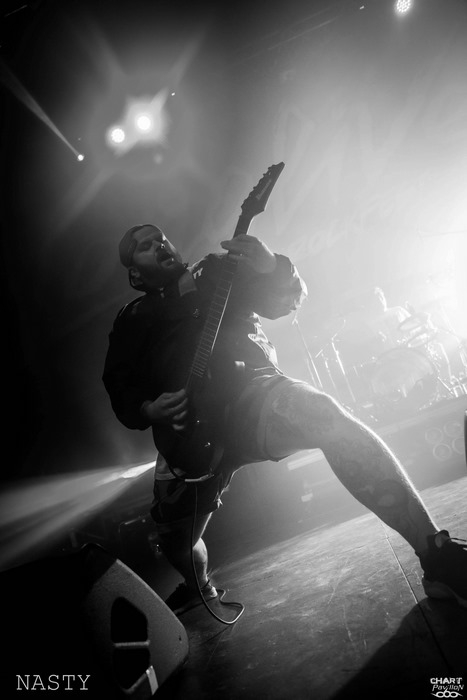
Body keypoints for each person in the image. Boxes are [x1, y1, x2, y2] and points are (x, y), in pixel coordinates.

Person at [103, 224, 467, 615]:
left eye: (160, 238)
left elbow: (286, 301)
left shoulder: (214, 271)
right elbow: (119, 383)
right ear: (134, 272)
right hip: (184, 437)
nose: (158, 244)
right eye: (145, 246)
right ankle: (199, 587)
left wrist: (272, 266)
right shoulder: (131, 318)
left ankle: (437, 556)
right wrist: (148, 409)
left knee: (324, 416)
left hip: (250, 394)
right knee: (176, 541)